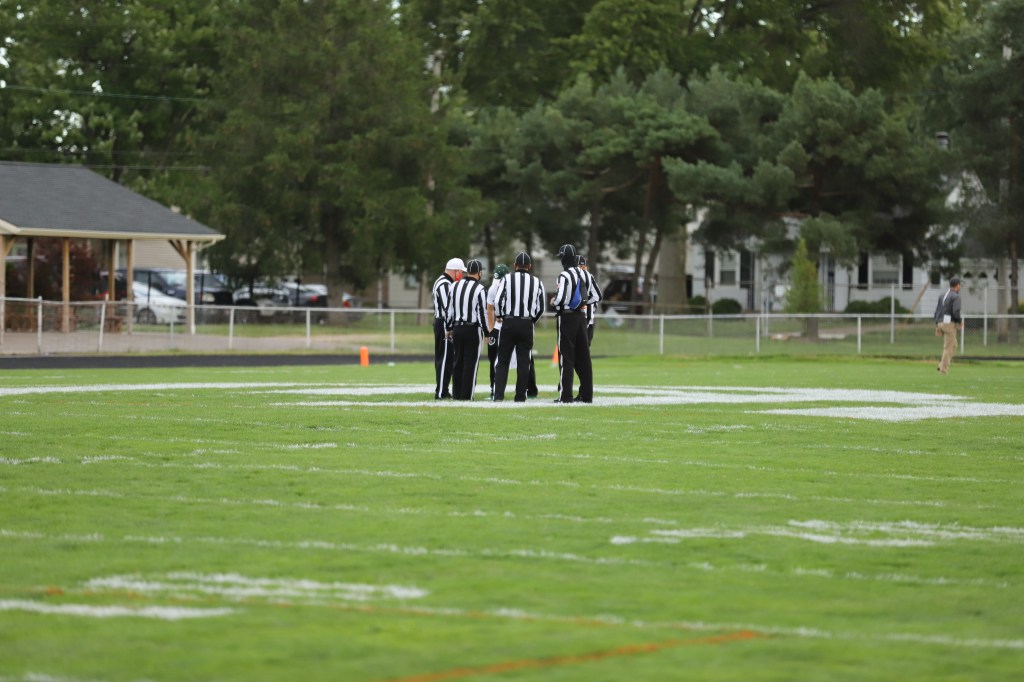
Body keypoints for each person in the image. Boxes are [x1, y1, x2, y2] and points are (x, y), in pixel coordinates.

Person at [491, 252, 546, 402]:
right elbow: (541, 307)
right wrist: (531, 320)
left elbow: (497, 301)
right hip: (526, 323)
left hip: (508, 322)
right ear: (530, 266)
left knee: (502, 361)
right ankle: (520, 396)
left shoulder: (506, 279)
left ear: (515, 265)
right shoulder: (537, 282)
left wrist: (500, 315)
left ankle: (498, 396)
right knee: (524, 362)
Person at [550, 244, 601, 403]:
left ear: (564, 258)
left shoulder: (564, 275)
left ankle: (565, 396)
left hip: (567, 317)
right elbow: (597, 296)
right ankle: (587, 395)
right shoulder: (586, 274)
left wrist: (554, 301)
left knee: (566, 357)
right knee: (584, 357)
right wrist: (582, 303)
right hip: (582, 318)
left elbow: (561, 299)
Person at [446, 259, 490, 400]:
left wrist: (448, 327)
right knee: (470, 364)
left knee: (457, 362)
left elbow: (449, 310)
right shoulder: (480, 289)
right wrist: (487, 332)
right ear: (479, 273)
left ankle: (457, 394)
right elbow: (482, 313)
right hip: (472, 329)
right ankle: (466, 396)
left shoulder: (454, 286)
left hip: (457, 328)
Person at [432, 258, 464, 399]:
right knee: (445, 358)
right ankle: (441, 391)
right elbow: (448, 308)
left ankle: (443, 389)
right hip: (444, 323)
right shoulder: (444, 284)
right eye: (460, 272)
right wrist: (451, 326)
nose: (461, 275)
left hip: (444, 322)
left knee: (448, 357)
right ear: (455, 271)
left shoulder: (445, 282)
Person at [486, 263, 510, 399]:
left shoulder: (511, 287)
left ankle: (529, 390)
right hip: (497, 327)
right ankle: (493, 389)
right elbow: (489, 309)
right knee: (493, 358)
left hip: (509, 327)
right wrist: (491, 329)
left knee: (523, 358)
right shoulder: (493, 289)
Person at [933, 275, 963, 375]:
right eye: (960, 285)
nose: (960, 287)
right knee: (948, 347)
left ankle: (942, 364)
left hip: (940, 322)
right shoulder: (956, 296)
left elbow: (937, 310)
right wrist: (959, 321)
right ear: (957, 286)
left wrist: (937, 325)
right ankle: (943, 370)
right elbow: (956, 311)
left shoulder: (942, 296)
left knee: (954, 345)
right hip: (949, 324)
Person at [577, 255, 596, 346]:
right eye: (579, 267)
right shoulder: (588, 277)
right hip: (583, 318)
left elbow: (597, 297)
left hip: (584, 318)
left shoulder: (588, 277)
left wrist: (584, 303)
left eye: (583, 267)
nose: (581, 269)